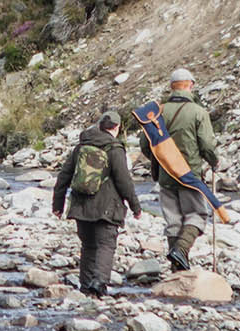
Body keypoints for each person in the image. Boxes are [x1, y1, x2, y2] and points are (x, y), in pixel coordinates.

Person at [52, 109, 144, 296]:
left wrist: (58, 205)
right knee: (106, 245)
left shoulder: (81, 146)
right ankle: (100, 282)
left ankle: (86, 286)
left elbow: (64, 176)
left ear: (100, 125)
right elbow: (123, 181)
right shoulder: (114, 148)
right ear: (116, 127)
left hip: (81, 207)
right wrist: (135, 207)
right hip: (107, 207)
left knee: (88, 246)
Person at [139, 67, 219, 271]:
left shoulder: (158, 112)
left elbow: (145, 144)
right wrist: (213, 161)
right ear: (190, 85)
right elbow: (207, 144)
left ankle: (178, 267)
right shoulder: (199, 112)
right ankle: (181, 251)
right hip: (189, 174)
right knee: (197, 214)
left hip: (165, 174)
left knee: (173, 219)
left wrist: (160, 160)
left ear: (172, 87)